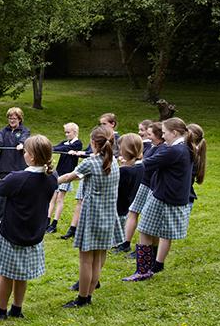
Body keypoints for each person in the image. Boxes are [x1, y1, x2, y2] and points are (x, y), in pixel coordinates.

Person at [0, 135, 58, 319]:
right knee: (22, 274)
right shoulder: (52, 176)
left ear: (31, 156)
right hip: (33, 233)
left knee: (6, 274)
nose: (23, 154)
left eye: (25, 151)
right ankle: (17, 309)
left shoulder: (18, 178)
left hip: (12, 234)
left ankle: (1, 312)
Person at [123, 118, 198, 281]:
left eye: (164, 133)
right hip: (169, 195)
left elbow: (147, 164)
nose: (163, 136)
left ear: (174, 133)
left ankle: (143, 270)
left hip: (164, 196)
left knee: (144, 228)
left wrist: (129, 162)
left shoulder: (175, 150)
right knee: (156, 230)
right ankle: (153, 265)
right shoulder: (184, 148)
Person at [58, 126, 123, 307]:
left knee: (86, 261)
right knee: (99, 258)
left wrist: (51, 179)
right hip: (109, 217)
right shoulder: (114, 162)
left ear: (93, 143)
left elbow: (68, 178)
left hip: (92, 217)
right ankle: (89, 295)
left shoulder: (90, 163)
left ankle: (82, 298)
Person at [121, 121, 164, 259]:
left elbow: (148, 164)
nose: (148, 137)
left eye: (150, 134)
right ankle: (135, 246)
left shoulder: (160, 149)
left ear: (159, 136)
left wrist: (131, 163)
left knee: (138, 215)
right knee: (136, 214)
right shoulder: (154, 146)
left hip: (147, 184)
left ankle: (129, 244)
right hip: (146, 183)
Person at [0, 107, 30, 224]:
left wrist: (22, 144)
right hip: (5, 166)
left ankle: (17, 216)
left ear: (19, 119)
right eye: (10, 118)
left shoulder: (25, 130)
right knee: (3, 192)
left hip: (19, 167)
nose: (11, 121)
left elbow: (24, 139)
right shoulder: (4, 130)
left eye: (14, 118)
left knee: (19, 193)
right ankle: (1, 218)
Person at [46, 122, 82, 234]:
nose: (66, 134)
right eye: (65, 132)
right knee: (53, 197)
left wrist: (64, 149)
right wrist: (47, 148)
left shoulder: (77, 143)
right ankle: (46, 221)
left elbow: (65, 148)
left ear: (75, 132)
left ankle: (54, 224)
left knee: (60, 197)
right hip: (58, 172)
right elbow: (57, 147)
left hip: (68, 173)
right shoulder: (65, 142)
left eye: (68, 132)